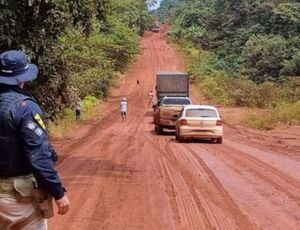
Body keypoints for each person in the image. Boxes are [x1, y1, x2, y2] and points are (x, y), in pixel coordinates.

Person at [0, 50, 70, 229]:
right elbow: (39, 158)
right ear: (23, 79)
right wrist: (58, 192)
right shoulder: (25, 108)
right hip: (17, 200)